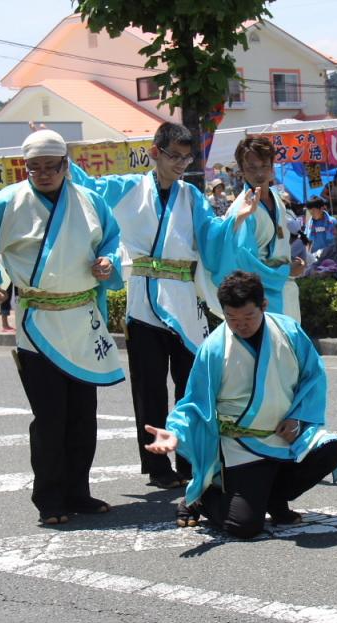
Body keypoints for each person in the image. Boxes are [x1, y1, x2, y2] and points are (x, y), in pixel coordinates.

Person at [71, 122, 258, 489]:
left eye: (186, 158)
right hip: (142, 301)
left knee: (190, 387)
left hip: (185, 303)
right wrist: (57, 155)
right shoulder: (126, 188)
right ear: (155, 152)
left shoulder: (192, 197)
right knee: (149, 390)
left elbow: (212, 237)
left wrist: (236, 217)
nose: (180, 164)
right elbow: (85, 188)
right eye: (174, 156)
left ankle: (189, 460)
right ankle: (157, 465)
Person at [0, 129, 125, 525]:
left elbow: (112, 242)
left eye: (52, 166)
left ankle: (78, 491)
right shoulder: (4, 203)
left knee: (84, 414)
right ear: (25, 167)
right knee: (50, 416)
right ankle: (49, 498)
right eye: (35, 167)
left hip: (83, 318)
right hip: (38, 320)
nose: (44, 174)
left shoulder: (90, 202)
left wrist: (107, 263)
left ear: (66, 165)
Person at [144, 271, 337, 538]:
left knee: (331, 449)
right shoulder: (215, 347)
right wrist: (175, 433)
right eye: (232, 318)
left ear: (264, 306)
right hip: (242, 447)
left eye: (248, 317)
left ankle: (273, 499)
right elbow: (194, 402)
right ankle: (204, 497)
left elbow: (313, 377)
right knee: (244, 526)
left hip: (286, 438)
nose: (240, 324)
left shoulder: (288, 331)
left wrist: (298, 418)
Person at [222, 136, 304, 320]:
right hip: (259, 297)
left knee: (289, 344)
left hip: (285, 288)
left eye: (264, 165)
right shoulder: (241, 209)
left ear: (272, 167)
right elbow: (243, 264)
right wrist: (286, 271)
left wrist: (289, 270)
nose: (259, 173)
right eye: (252, 167)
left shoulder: (277, 199)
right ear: (242, 170)